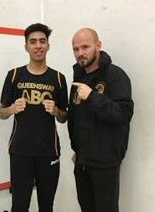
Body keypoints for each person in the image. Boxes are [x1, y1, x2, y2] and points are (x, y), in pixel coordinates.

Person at [0, 23, 68, 212]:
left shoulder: (59, 78)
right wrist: (12, 108)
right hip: (20, 151)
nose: (38, 45)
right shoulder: (14, 75)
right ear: (26, 46)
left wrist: (56, 111)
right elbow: (1, 112)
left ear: (48, 46)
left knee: (47, 206)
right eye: (33, 41)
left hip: (48, 152)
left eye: (42, 41)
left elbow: (64, 117)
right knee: (19, 206)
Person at [68, 28, 134, 212]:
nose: (80, 53)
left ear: (98, 46)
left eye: (85, 47)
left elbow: (123, 114)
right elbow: (76, 119)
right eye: (75, 49)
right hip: (82, 162)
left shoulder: (115, 76)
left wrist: (92, 96)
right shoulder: (78, 78)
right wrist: (79, 150)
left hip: (105, 162)